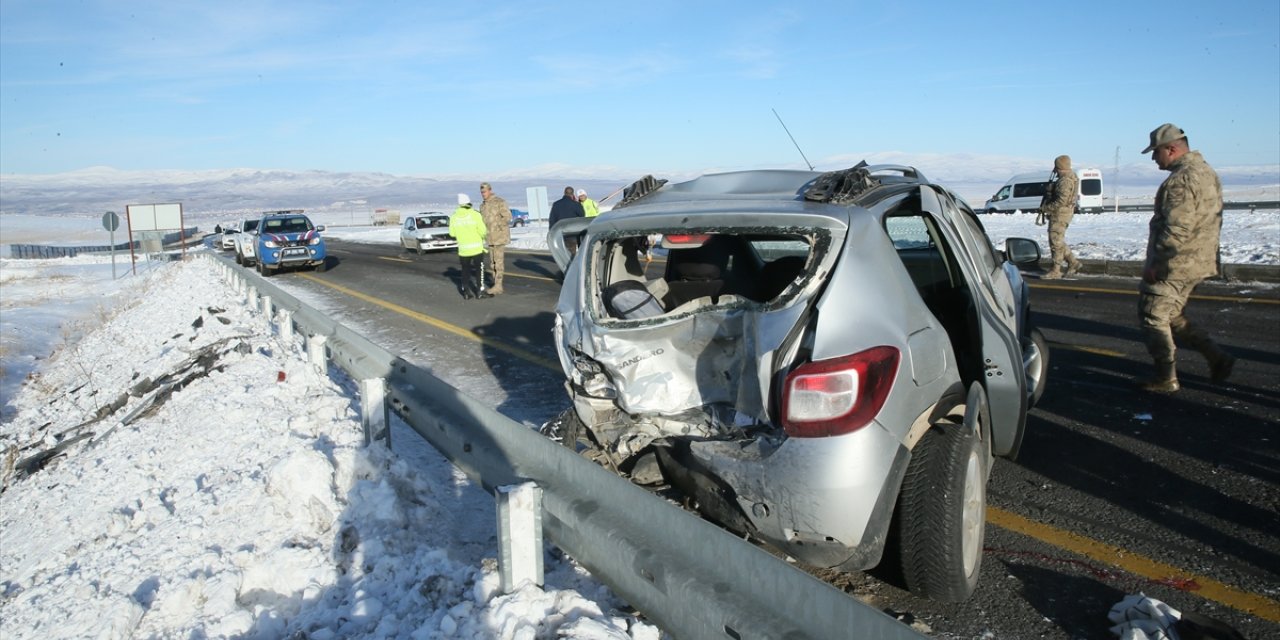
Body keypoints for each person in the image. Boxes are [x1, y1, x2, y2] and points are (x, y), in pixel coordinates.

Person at [1136, 123, 1234, 392]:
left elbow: (1176, 228)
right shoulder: (1206, 172)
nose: (1155, 158)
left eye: (1156, 152)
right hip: (1198, 260)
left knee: (1153, 315)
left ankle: (1166, 377)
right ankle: (1217, 357)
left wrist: (1158, 263)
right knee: (1173, 316)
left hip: (1176, 263)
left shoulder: (1181, 179)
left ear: (1172, 148)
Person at [1039, 154, 1083, 279]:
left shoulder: (1065, 181)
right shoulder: (1072, 177)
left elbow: (1061, 200)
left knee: (1055, 242)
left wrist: (1046, 208)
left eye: (1056, 168)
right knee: (1058, 240)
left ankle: (1056, 270)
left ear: (1060, 167)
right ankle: (1073, 263)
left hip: (1060, 214)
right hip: (1064, 214)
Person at [449, 193, 491, 300]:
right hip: (476, 248)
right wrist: (481, 237)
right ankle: (480, 291)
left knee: (465, 270)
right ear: (469, 202)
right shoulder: (475, 215)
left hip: (463, 249)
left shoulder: (454, 217)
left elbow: (452, 233)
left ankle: (466, 292)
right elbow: (483, 231)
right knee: (479, 270)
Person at [479, 182, 512, 295]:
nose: (483, 194)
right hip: (490, 237)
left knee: (498, 262)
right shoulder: (482, 205)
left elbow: (507, 217)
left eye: (485, 191)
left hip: (499, 237)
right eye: (482, 192)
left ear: (490, 190)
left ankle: (498, 285)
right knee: (492, 263)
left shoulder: (499, 202)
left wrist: (497, 226)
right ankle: (495, 283)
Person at [548, 186, 586, 256]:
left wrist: (552, 232)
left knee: (562, 254)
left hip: (559, 233)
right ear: (572, 194)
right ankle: (571, 265)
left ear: (564, 193)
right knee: (571, 254)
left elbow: (552, 219)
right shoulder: (576, 204)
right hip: (572, 233)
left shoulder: (556, 204)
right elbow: (582, 216)